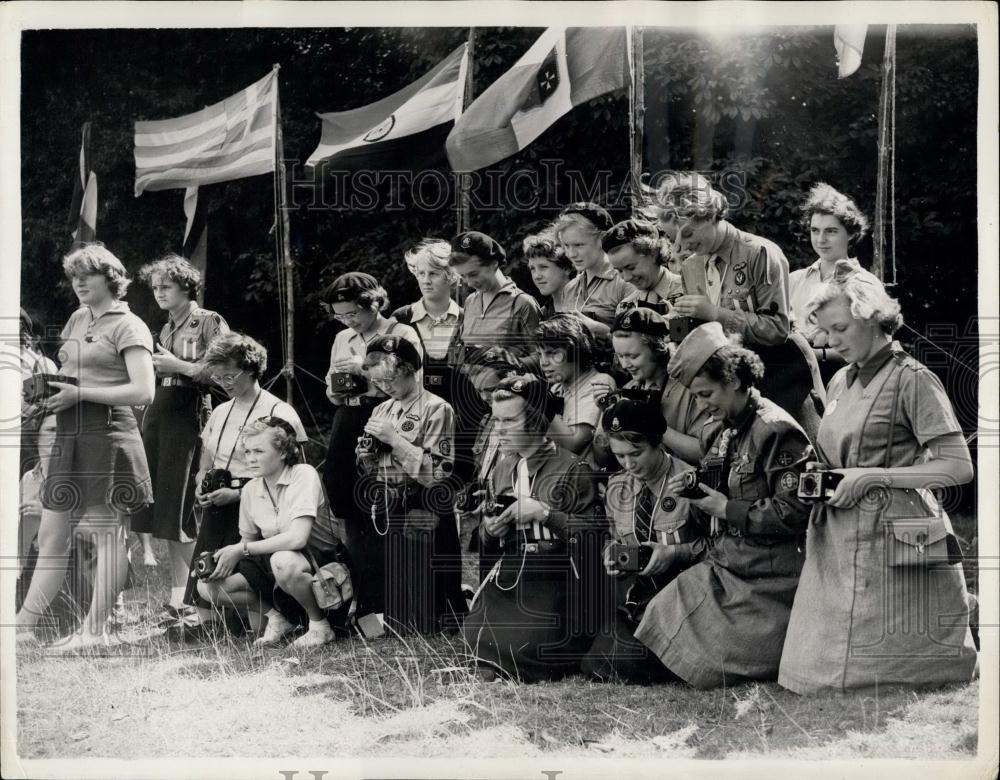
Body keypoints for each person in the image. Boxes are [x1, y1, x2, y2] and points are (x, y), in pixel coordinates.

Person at [779, 261, 978, 693]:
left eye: (839, 329)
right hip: (837, 535)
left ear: (871, 316)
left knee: (884, 664)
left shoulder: (913, 380)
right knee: (812, 674)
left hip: (899, 536)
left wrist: (873, 476)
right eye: (824, 332)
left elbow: (958, 467)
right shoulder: (839, 383)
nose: (830, 342)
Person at [634, 322, 814, 689]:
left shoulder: (776, 430)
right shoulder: (722, 428)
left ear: (733, 380)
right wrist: (697, 492)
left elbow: (797, 513)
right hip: (727, 562)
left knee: (672, 656)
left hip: (769, 578)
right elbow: (722, 487)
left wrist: (725, 508)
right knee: (654, 620)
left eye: (706, 394)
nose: (702, 405)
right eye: (696, 397)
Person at [17, 243, 155, 652]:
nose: (78, 282)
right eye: (74, 276)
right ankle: (22, 627)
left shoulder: (130, 326)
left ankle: (95, 631)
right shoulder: (79, 318)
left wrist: (81, 396)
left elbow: (144, 391)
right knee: (51, 533)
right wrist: (48, 393)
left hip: (108, 435)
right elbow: (74, 373)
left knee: (107, 535)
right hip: (68, 435)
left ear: (111, 279)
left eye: (87, 275)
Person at [655, 173, 825, 442]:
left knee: (798, 452)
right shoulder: (691, 265)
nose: (681, 246)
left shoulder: (760, 253)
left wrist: (715, 314)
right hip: (732, 382)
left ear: (709, 215)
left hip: (783, 371)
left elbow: (778, 329)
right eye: (672, 239)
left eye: (687, 234)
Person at [461, 375, 604, 682]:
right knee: (474, 636)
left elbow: (595, 538)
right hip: (514, 574)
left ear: (538, 421)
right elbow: (491, 542)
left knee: (524, 644)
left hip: (558, 579)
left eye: (510, 420)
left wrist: (544, 512)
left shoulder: (573, 468)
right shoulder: (503, 468)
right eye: (496, 420)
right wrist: (491, 530)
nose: (499, 429)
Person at [183, 333, 308, 624]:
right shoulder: (221, 411)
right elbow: (208, 453)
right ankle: (227, 617)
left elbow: (296, 473)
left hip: (260, 507)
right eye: (217, 378)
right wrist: (202, 478)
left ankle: (275, 612)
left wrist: (239, 494)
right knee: (206, 585)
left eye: (230, 376)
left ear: (252, 370)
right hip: (219, 505)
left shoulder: (278, 411)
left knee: (242, 585)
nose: (224, 384)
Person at [197, 417, 353, 648]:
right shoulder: (250, 489)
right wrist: (220, 562)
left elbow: (298, 538)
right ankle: (278, 619)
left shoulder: (303, 474)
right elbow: (247, 542)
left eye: (259, 451)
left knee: (283, 560)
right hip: (280, 571)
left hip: (323, 568)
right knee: (207, 586)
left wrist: (241, 549)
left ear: (282, 453)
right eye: (247, 451)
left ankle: (320, 626)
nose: (250, 458)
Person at [320, 272, 421, 626]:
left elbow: (411, 386)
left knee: (381, 504)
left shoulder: (400, 333)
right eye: (340, 315)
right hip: (348, 417)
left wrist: (363, 373)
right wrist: (337, 385)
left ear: (374, 303)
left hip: (385, 417)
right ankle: (362, 599)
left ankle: (393, 601)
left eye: (353, 314)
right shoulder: (342, 338)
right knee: (345, 498)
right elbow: (331, 392)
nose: (348, 321)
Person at [581, 399, 705, 683]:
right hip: (640, 596)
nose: (628, 464)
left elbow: (721, 548)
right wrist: (612, 552)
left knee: (630, 659)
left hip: (687, 595)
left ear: (658, 442)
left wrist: (676, 553)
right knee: (598, 659)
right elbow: (614, 538)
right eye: (619, 456)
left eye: (636, 453)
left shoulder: (691, 484)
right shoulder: (617, 486)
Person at [133, 255, 228, 619]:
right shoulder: (165, 327)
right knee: (168, 511)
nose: (158, 293)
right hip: (159, 412)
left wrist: (179, 367)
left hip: (188, 412)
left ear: (187, 287)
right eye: (155, 287)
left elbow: (225, 370)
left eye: (166, 286)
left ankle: (199, 597)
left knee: (185, 506)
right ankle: (179, 597)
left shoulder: (208, 321)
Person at [355, 335, 467, 635]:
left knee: (429, 579)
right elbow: (373, 466)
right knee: (399, 577)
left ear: (412, 369)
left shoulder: (437, 409)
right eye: (377, 381)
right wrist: (367, 454)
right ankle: (404, 622)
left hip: (424, 501)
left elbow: (438, 473)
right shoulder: (382, 410)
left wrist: (394, 440)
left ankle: (442, 620)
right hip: (392, 502)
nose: (385, 387)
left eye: (390, 378)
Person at [391, 239, 479, 484]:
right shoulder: (402, 318)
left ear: (451, 276)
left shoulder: (469, 318)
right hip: (414, 425)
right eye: (420, 273)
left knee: (458, 494)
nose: (426, 280)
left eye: (434, 273)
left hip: (463, 424)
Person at [592, 307, 715, 468]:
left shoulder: (690, 388)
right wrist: (606, 415)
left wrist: (656, 427)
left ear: (657, 349)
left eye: (633, 356)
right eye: (620, 356)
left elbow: (705, 454)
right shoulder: (629, 389)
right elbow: (602, 459)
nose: (625, 365)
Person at [789, 183, 868, 386]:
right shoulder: (794, 280)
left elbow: (868, 351)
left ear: (850, 233)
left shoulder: (863, 283)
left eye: (831, 231)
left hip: (842, 383)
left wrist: (812, 355)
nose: (821, 239)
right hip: (793, 387)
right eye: (815, 230)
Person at [449, 230, 541, 361]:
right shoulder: (470, 301)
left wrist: (505, 361)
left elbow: (541, 358)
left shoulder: (522, 303)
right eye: (463, 276)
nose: (469, 283)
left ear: (493, 264)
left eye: (474, 274)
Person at [537, 313, 616, 462]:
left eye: (551, 354)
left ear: (575, 349)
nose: (543, 362)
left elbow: (574, 443)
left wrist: (541, 404)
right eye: (540, 355)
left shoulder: (599, 382)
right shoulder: (557, 389)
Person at [552, 202, 635, 329]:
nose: (571, 254)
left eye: (579, 245)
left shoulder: (625, 281)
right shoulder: (570, 288)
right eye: (566, 246)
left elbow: (637, 340)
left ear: (602, 238)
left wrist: (602, 331)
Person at [604, 218, 683, 315]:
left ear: (653, 254)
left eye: (631, 268)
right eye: (619, 271)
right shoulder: (625, 307)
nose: (627, 278)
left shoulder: (687, 292)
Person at [524, 231, 575, 318]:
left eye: (543, 267)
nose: (537, 276)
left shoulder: (590, 303)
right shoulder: (542, 315)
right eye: (532, 269)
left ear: (566, 268)